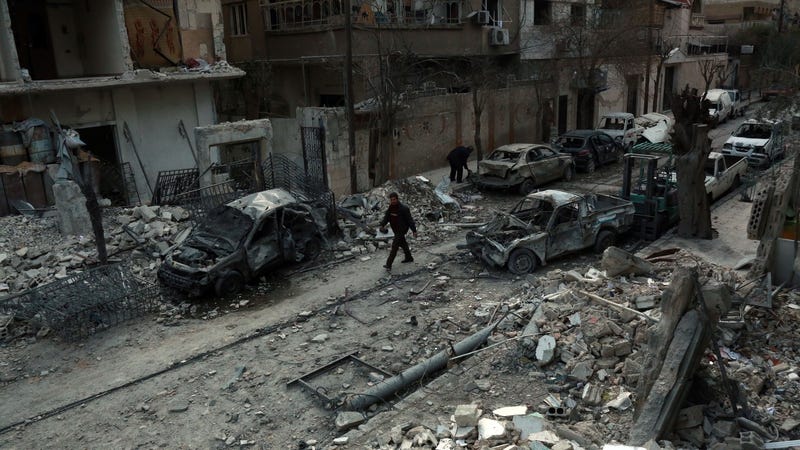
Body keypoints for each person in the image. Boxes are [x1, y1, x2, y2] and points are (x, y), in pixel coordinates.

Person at [378, 192, 417, 270]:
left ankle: (388, 264)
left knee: (394, 246)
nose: (393, 201)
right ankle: (409, 257)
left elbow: (410, 220)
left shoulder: (404, 208)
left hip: (402, 229)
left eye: (394, 199)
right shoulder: (391, 208)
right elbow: (386, 218)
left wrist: (414, 231)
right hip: (395, 229)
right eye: (391, 200)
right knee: (403, 243)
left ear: (397, 199)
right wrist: (382, 225)